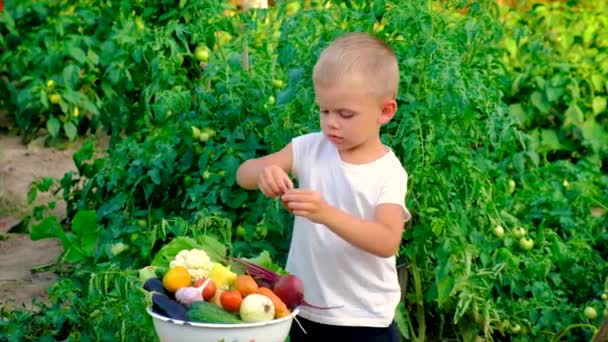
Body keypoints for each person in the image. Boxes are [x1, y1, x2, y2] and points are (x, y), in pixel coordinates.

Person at [235, 32, 410, 342]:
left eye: (346, 114)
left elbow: (387, 240)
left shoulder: (387, 171)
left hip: (365, 322)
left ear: (385, 112)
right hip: (305, 313)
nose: (331, 123)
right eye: (324, 110)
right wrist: (267, 172)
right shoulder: (309, 149)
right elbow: (243, 174)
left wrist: (326, 213)